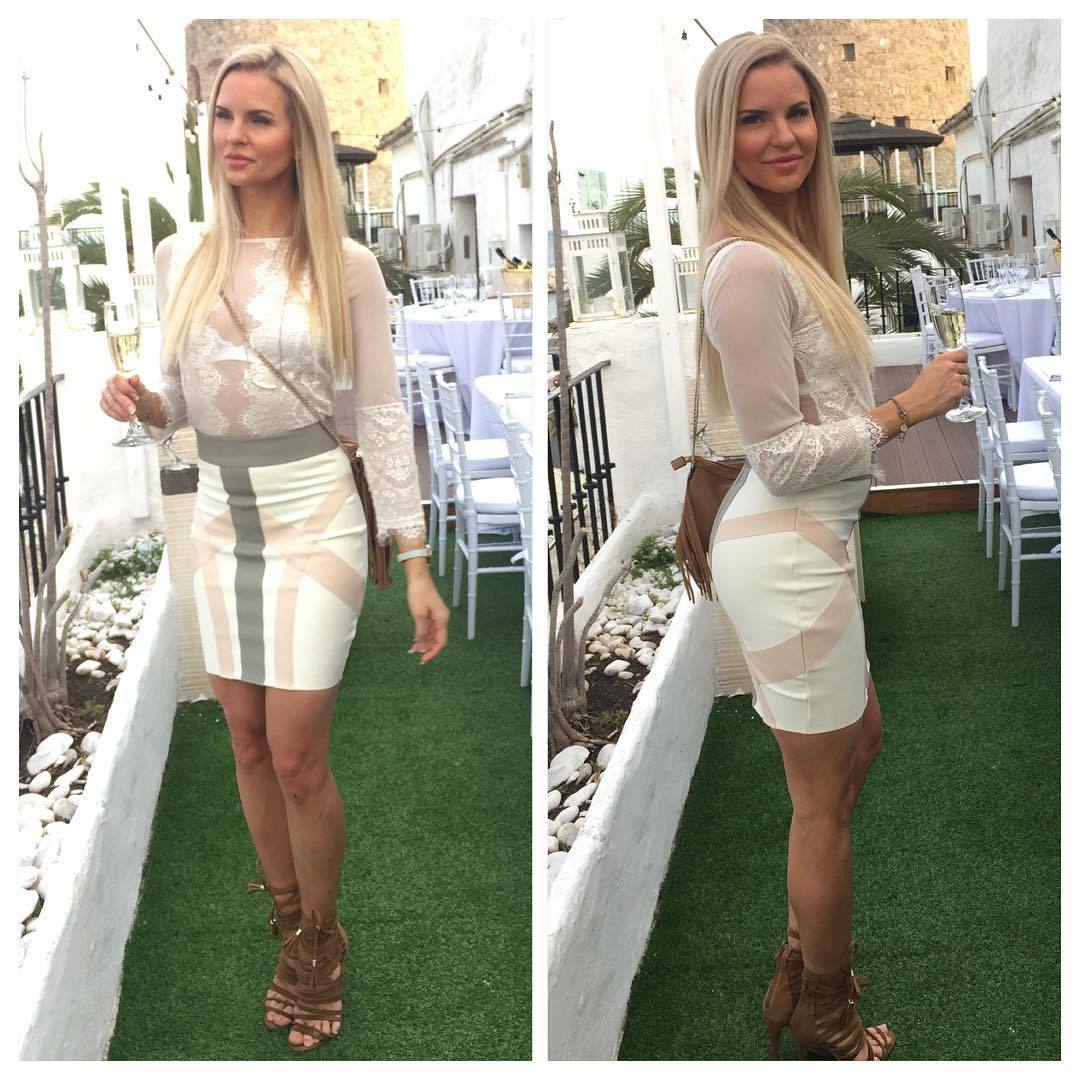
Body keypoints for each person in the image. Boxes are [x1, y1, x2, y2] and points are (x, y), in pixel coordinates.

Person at [99, 43, 450, 1052]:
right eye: (224, 115)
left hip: (314, 517)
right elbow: (178, 414)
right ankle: (290, 927)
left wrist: (415, 561)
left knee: (297, 755)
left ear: (298, 135)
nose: (236, 135)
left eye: (259, 118)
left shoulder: (344, 264)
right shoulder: (181, 256)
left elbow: (378, 417)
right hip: (219, 518)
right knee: (246, 742)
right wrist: (140, 404)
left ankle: (322, 944)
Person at [694, 33, 969, 1061]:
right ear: (720, 135)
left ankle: (799, 963)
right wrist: (906, 410)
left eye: (797, 112)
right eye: (754, 118)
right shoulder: (748, 265)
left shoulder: (784, 249)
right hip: (787, 549)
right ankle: (822, 1011)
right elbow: (780, 453)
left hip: (812, 544)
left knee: (861, 745)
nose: (784, 136)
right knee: (822, 807)